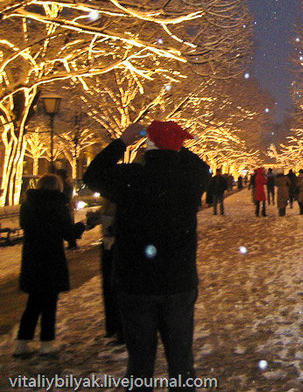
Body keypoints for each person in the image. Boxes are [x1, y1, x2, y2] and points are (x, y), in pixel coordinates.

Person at [82, 120, 210, 391]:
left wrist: (122, 142)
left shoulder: (129, 178)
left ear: (147, 148)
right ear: (177, 148)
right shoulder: (188, 181)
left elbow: (92, 175)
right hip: (178, 282)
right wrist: (175, 145)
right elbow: (203, 169)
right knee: (181, 361)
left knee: (139, 362)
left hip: (135, 283)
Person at [14, 174, 79, 358]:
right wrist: (83, 226)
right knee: (49, 302)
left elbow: (24, 224)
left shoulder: (28, 205)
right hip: (51, 259)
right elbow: (68, 233)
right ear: (57, 187)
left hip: (32, 259)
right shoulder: (58, 206)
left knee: (33, 302)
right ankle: (46, 341)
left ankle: (22, 342)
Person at [86, 197, 123, 342]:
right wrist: (93, 219)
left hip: (117, 247)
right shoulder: (107, 203)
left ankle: (118, 327)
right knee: (109, 287)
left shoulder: (119, 200)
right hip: (108, 246)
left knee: (115, 288)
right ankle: (113, 326)